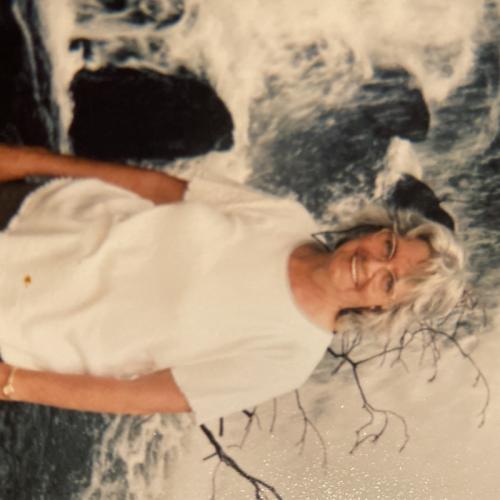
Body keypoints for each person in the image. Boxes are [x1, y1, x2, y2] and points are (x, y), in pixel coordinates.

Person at [0, 145, 464, 423]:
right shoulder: (285, 218)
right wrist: (29, 161)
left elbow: (135, 397)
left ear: (382, 308)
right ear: (380, 230)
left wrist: (12, 383)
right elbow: (157, 188)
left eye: (389, 282)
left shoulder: (286, 358)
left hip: (19, 319)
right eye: (388, 247)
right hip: (31, 210)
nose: (373, 262)